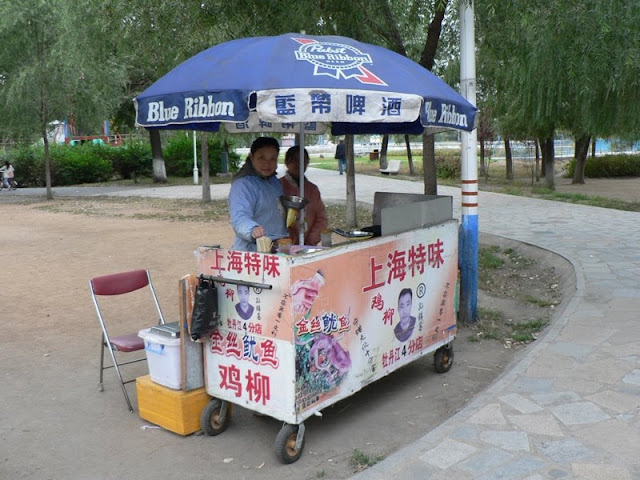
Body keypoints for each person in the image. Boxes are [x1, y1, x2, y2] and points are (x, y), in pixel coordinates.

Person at [228, 137, 288, 252]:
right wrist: (252, 228)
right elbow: (239, 217)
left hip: (276, 249)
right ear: (251, 157)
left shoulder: (274, 181)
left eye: (272, 159)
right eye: (261, 158)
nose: (267, 164)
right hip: (252, 252)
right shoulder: (242, 185)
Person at [280, 146, 328, 245]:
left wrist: (310, 240)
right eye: (295, 160)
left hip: (307, 247)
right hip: (283, 246)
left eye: (303, 161)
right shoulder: (278, 186)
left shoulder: (313, 190)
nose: (299, 164)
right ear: (287, 162)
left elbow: (321, 218)